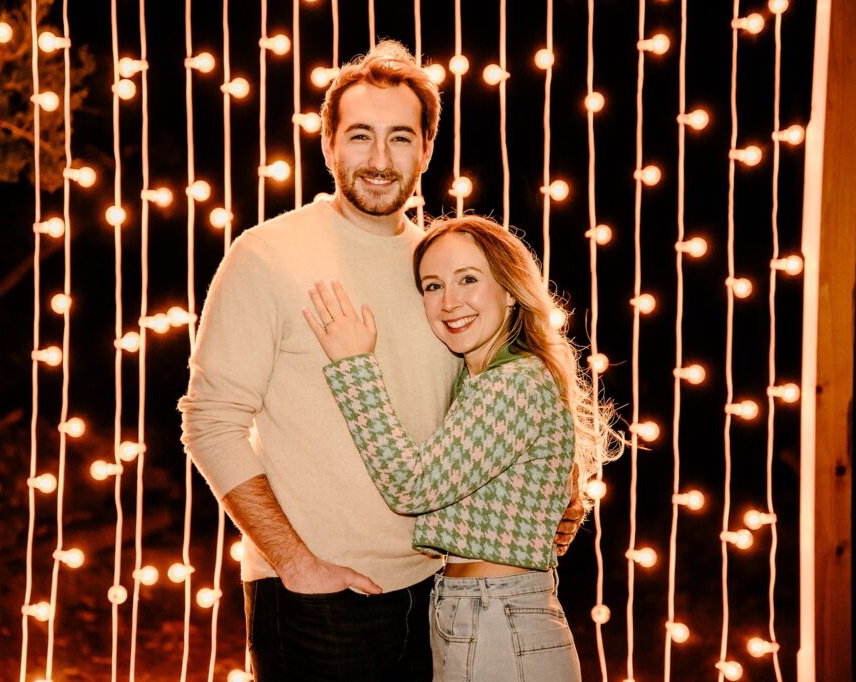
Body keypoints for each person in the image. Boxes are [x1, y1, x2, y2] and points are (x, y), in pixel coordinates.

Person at [179, 41, 583, 681]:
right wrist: (295, 563)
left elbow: (495, 391)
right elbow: (210, 422)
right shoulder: (267, 254)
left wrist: (557, 482)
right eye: (360, 135)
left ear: (426, 149)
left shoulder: (441, 268)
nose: (379, 159)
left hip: (440, 594)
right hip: (318, 598)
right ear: (328, 144)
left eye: (400, 138)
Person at [303, 215, 619, 681]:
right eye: (433, 286)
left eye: (468, 279)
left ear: (510, 290)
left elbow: (411, 486)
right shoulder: (483, 381)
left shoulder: (513, 383)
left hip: (498, 617)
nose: (449, 302)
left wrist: (354, 365)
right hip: (483, 611)